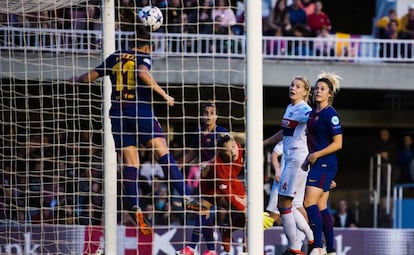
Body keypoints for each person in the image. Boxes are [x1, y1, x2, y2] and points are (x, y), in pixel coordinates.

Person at [68, 19, 206, 236]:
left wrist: (75, 79)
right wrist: (165, 95)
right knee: (163, 153)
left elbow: (88, 78)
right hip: (139, 110)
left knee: (131, 163)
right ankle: (187, 196)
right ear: (147, 46)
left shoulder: (115, 56)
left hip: (117, 114)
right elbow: (142, 72)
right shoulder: (143, 56)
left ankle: (135, 205)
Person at [263, 76, 314, 255]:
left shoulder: (305, 110)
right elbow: (285, 132)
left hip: (297, 160)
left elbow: (316, 124)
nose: (293, 88)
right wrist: (265, 142)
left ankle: (296, 246)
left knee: (283, 203)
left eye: (298, 86)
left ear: (305, 92)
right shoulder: (290, 108)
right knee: (292, 204)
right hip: (290, 160)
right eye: (292, 85)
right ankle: (311, 238)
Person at [176, 103, 228, 255]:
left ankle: (215, 247)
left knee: (223, 215)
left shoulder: (222, 133)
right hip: (206, 180)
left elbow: (228, 152)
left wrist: (212, 163)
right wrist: (179, 165)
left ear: (216, 116)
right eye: (205, 112)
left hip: (221, 179)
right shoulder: (198, 132)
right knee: (201, 212)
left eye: (212, 112)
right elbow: (193, 153)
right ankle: (202, 249)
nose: (208, 115)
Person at [303, 72, 343, 255]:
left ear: (330, 94)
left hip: (325, 162)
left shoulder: (330, 114)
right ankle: (332, 250)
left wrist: (315, 155)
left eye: (322, 89)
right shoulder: (312, 114)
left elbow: (338, 143)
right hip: (317, 164)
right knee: (321, 206)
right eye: (317, 88)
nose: (318, 91)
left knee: (308, 201)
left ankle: (318, 246)